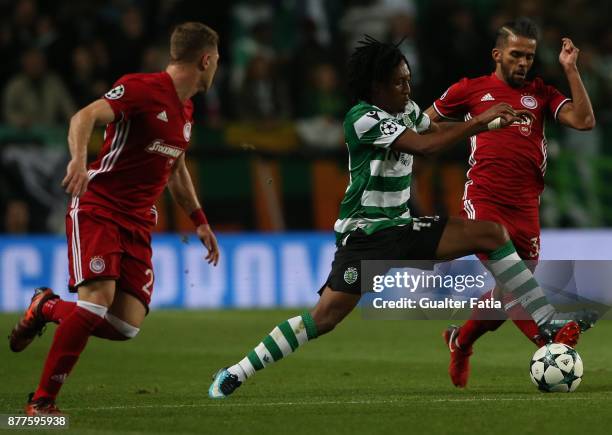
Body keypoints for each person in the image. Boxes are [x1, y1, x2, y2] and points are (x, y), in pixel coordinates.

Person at [208, 36, 586, 399]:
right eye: (399, 83)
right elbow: (426, 146)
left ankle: (546, 320)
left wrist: (489, 124)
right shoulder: (362, 118)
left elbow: (434, 129)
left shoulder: (404, 110)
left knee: (490, 233)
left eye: (408, 80)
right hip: (365, 239)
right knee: (323, 319)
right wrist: (479, 120)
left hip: (402, 229)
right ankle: (236, 372)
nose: (407, 89)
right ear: (377, 86)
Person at [8, 22, 221, 414]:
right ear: (206, 60)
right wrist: (78, 160)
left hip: (138, 222)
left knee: (126, 326)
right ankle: (41, 404)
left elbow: (175, 167)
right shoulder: (141, 88)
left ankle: (45, 306)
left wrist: (199, 219)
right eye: (217, 60)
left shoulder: (186, 110)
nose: (217, 66)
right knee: (94, 303)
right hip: (99, 206)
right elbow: (83, 116)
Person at [424, 17, 597, 388]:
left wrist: (571, 69)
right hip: (484, 202)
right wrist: (465, 128)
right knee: (516, 285)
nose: (523, 63)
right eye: (516, 55)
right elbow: (424, 126)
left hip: (526, 207)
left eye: (529, 57)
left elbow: (583, 120)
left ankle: (461, 341)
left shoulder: (542, 93)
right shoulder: (469, 90)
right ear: (497, 54)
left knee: (507, 292)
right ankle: (549, 338)